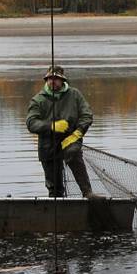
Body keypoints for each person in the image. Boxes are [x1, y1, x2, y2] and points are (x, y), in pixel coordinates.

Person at [26, 65, 100, 199]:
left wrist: (77, 133)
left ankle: (87, 192)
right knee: (55, 189)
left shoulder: (75, 95)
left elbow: (87, 115)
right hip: (47, 145)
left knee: (73, 153)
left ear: (63, 81)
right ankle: (56, 199)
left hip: (70, 140)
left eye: (56, 79)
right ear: (46, 80)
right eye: (50, 78)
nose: (52, 81)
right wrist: (51, 126)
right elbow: (31, 123)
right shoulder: (37, 100)